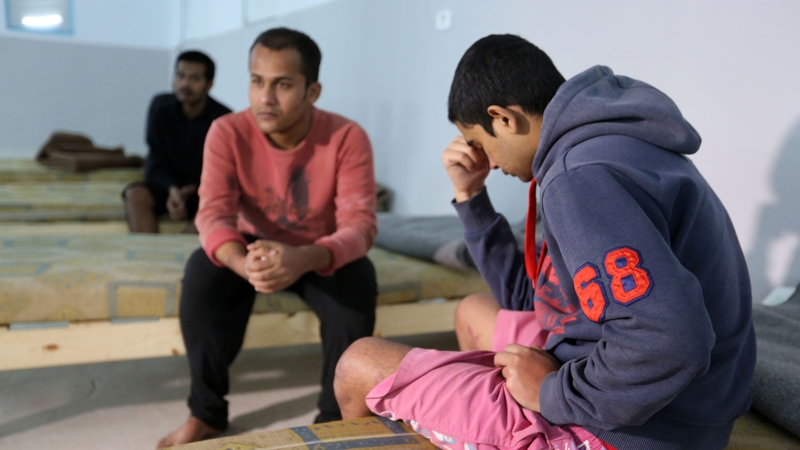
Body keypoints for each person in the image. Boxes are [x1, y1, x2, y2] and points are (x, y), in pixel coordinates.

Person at [333, 34, 756, 450]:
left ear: (504, 119)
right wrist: (470, 196)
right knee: (473, 310)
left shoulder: (579, 177)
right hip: (691, 406)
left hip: (634, 429)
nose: (488, 162)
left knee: (358, 364)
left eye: (480, 144)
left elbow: (670, 340)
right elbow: (536, 299)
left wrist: (550, 392)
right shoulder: (612, 145)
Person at [157, 28, 378, 447]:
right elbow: (213, 215)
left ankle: (333, 420)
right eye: (257, 81)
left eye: (283, 85)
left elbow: (360, 226)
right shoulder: (227, 131)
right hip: (251, 246)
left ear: (313, 91)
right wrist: (244, 265)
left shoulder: (346, 137)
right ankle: (206, 413)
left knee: (359, 283)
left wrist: (304, 257)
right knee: (200, 274)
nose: (265, 98)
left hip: (317, 250)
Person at [124, 51, 231, 233]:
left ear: (209, 84)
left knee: (217, 206)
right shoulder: (160, 108)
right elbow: (156, 157)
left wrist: (194, 189)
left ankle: (184, 246)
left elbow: (223, 171)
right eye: (180, 76)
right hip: (166, 185)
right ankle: (146, 248)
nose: (185, 84)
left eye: (194, 78)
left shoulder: (223, 119)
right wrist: (172, 189)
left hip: (203, 190)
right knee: (135, 194)